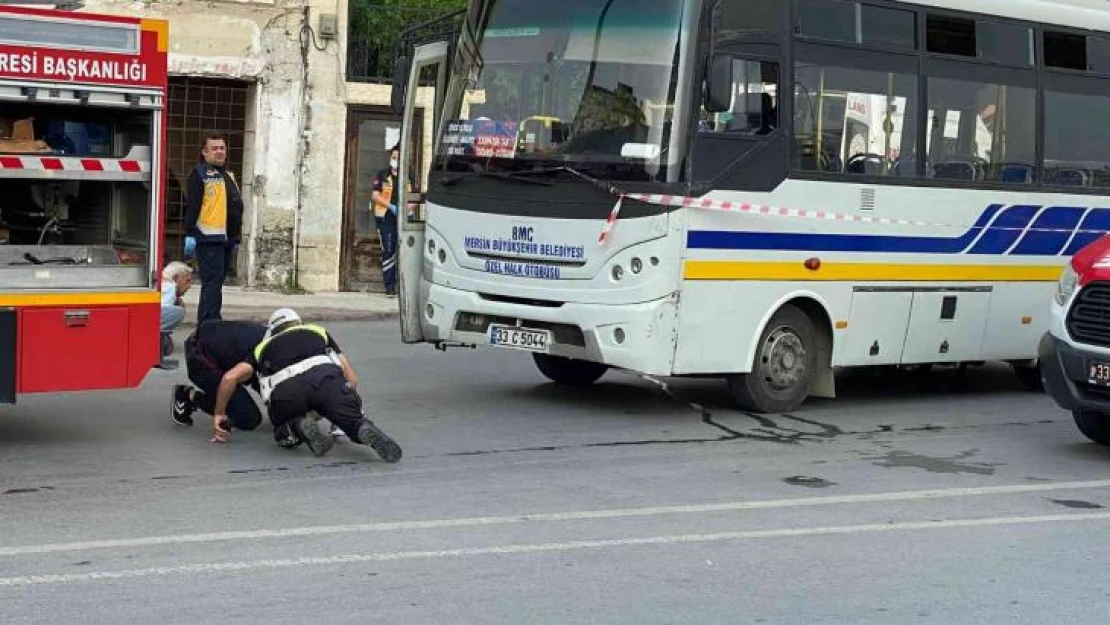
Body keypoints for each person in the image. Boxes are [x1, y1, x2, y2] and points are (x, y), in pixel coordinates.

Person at [212, 308, 403, 461]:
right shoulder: (318, 331)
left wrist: (219, 413)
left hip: (287, 392)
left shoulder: (261, 348)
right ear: (297, 323)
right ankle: (360, 427)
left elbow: (230, 378)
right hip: (326, 381)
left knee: (282, 429)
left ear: (272, 330)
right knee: (351, 420)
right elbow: (351, 377)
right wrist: (340, 407)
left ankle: (296, 426)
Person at [183, 134, 243, 325]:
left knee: (217, 284)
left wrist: (235, 237)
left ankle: (214, 322)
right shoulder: (199, 174)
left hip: (226, 239)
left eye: (222, 148)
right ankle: (208, 324)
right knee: (212, 284)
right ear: (204, 152)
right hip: (208, 238)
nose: (219, 152)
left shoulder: (228, 174)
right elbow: (193, 206)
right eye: (214, 148)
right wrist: (190, 233)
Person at [171, 320, 267, 437]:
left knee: (253, 381)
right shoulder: (266, 350)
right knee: (249, 418)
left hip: (215, 346)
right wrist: (219, 414)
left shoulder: (272, 338)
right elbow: (229, 379)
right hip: (200, 355)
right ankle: (187, 395)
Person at [370, 145, 412, 296]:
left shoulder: (408, 176)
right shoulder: (382, 175)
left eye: (398, 158)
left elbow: (414, 197)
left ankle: (404, 286)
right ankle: (389, 286)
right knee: (388, 249)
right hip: (385, 217)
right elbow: (375, 195)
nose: (395, 160)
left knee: (405, 251)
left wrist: (405, 210)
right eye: (393, 157)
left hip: (404, 218)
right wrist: (391, 206)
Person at [160, 261, 193, 359]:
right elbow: (163, 308)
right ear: (175, 278)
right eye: (187, 281)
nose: (189, 286)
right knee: (178, 311)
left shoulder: (162, 283)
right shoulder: (170, 287)